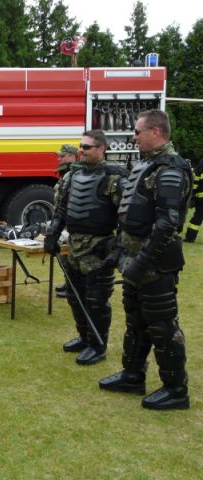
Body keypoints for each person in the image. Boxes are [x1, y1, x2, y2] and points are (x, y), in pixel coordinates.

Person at [99, 109, 192, 410]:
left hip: (156, 263)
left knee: (162, 325)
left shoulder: (170, 170)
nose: (133, 137)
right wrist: (118, 250)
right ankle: (132, 375)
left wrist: (142, 262)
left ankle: (176, 390)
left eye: (138, 132)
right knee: (136, 322)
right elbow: (131, 217)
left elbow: (167, 224)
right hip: (134, 260)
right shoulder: (147, 166)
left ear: (156, 132)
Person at [44, 130, 127, 365]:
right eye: (81, 146)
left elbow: (127, 218)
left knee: (96, 300)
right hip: (74, 246)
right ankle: (84, 337)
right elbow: (62, 210)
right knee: (74, 295)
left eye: (87, 147)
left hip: (99, 247)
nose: (82, 150)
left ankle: (98, 346)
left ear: (102, 148)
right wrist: (52, 235)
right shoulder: (73, 176)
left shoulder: (114, 178)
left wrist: (118, 250)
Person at [53, 144, 79, 298]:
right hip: (63, 220)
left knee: (70, 255)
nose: (59, 159)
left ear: (72, 156)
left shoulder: (75, 174)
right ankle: (68, 282)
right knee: (64, 254)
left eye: (62, 156)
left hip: (70, 221)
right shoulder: (66, 173)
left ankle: (72, 286)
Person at [184, 160, 203, 242]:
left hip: (201, 197)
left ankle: (190, 238)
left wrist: (192, 194)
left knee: (197, 218)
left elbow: (195, 179)